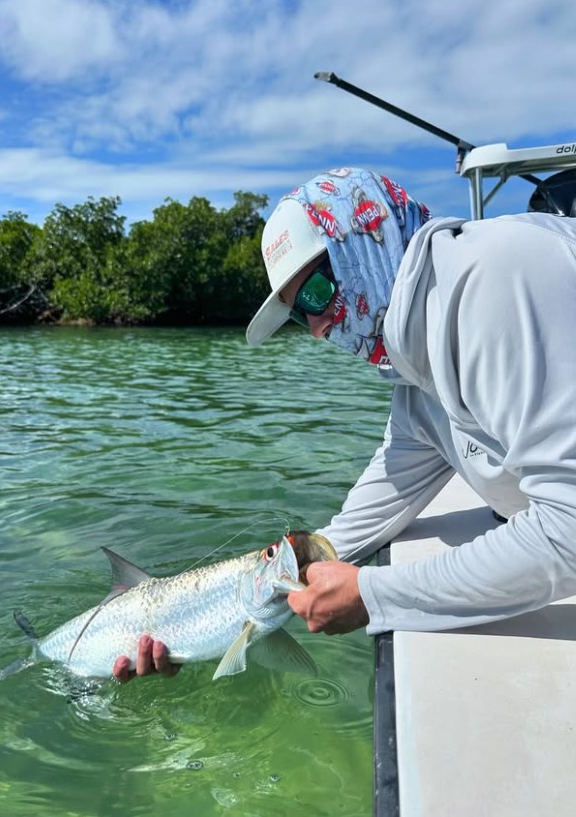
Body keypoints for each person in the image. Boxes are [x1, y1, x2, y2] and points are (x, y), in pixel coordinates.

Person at [114, 165, 576, 679]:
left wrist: (372, 596)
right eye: (297, 314)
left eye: (314, 294)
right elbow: (354, 527)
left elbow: (571, 527)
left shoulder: (493, 279)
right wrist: (186, 615)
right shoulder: (418, 377)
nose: (316, 328)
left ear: (367, 238)